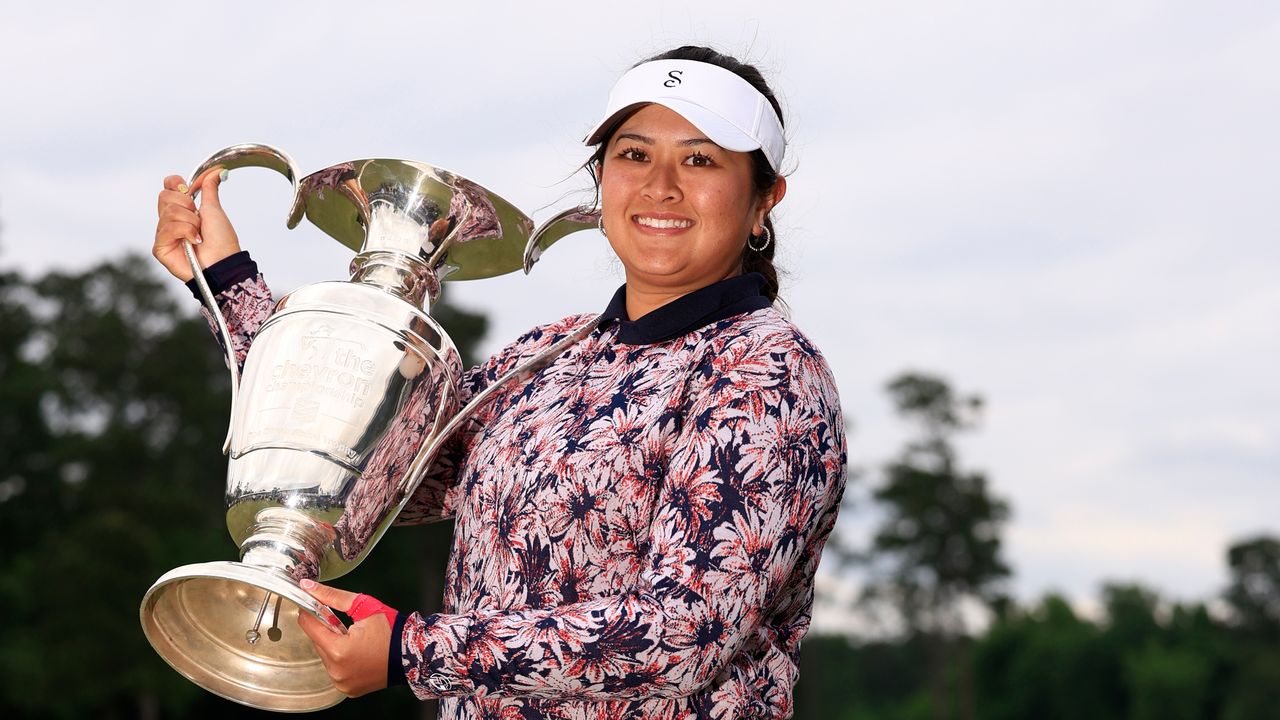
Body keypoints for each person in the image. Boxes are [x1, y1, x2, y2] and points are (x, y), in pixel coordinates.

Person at [153, 45, 847, 719]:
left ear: (763, 201)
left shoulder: (766, 371)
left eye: (700, 160)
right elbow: (379, 477)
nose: (660, 185)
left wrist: (408, 651)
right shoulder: (546, 355)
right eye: (634, 154)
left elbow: (684, 631)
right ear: (601, 179)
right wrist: (223, 279)